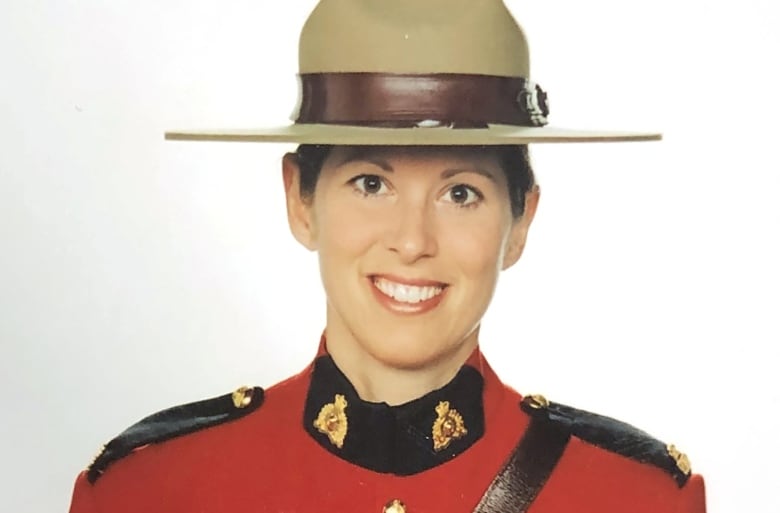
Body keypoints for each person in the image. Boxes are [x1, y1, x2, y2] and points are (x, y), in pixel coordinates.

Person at [68, 1, 706, 512]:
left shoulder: (635, 499)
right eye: (371, 183)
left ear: (520, 223)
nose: (411, 240)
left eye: (462, 193)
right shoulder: (148, 492)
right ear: (301, 200)